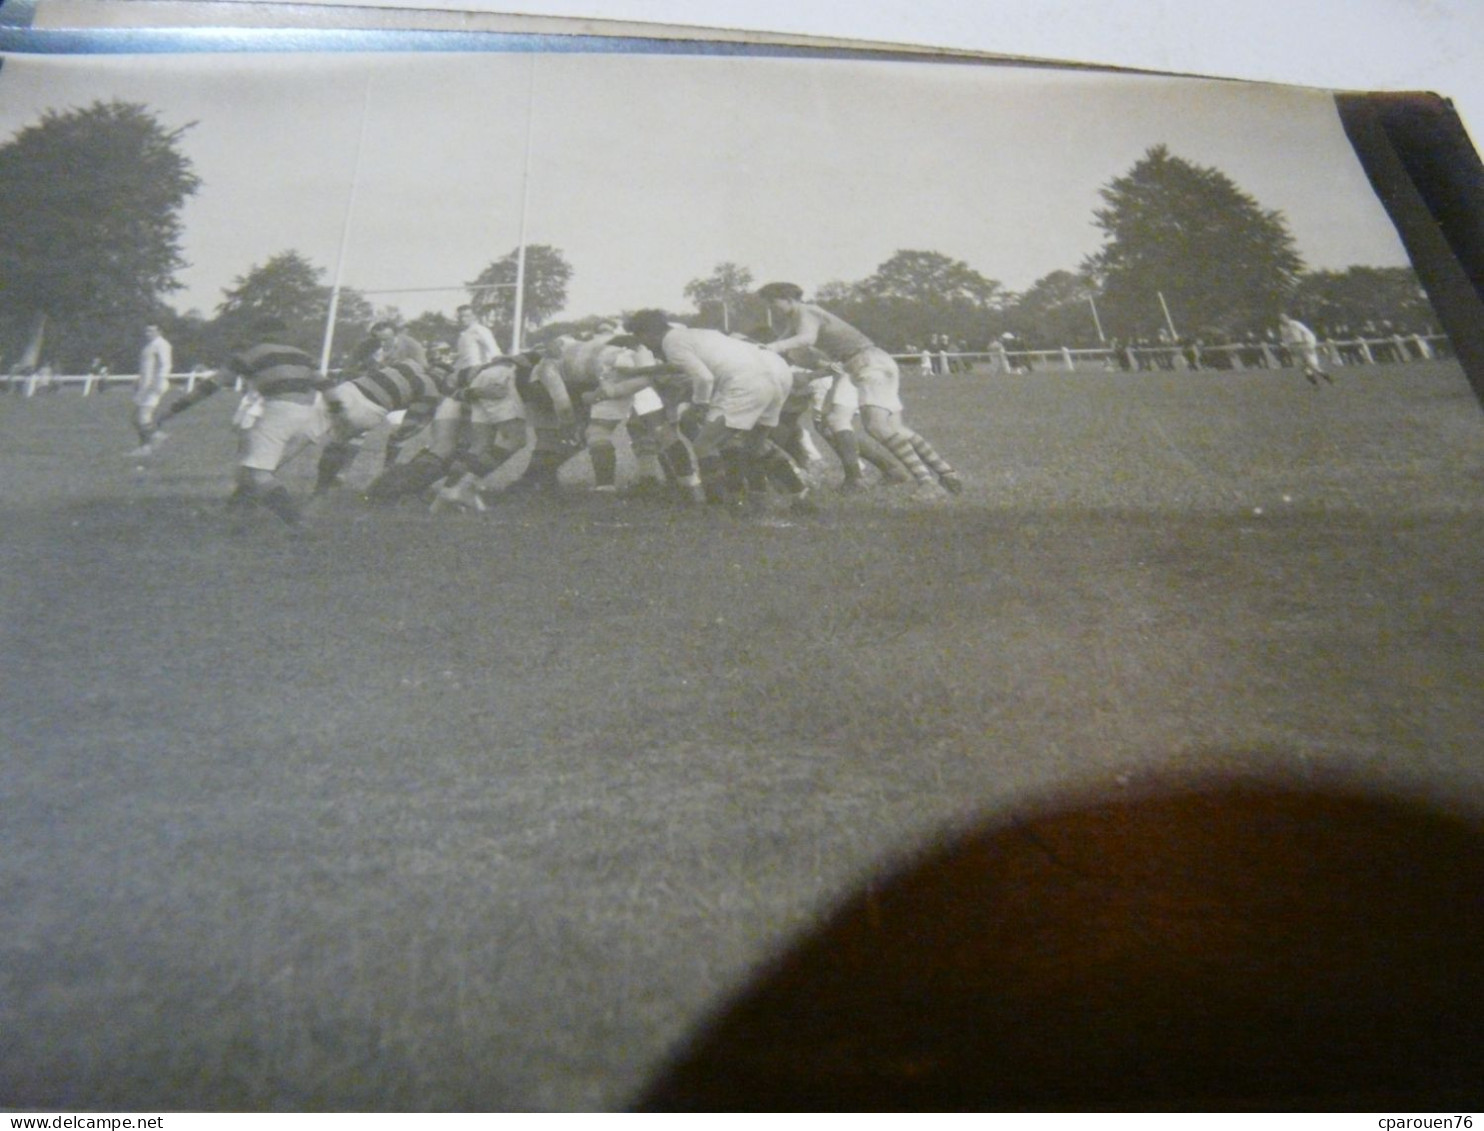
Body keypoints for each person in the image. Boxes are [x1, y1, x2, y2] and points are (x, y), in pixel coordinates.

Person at [756, 282, 962, 501]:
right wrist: (762, 349)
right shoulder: (797, 317)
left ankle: (927, 483)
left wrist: (771, 349)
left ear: (787, 298)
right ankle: (947, 473)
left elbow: (805, 339)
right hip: (869, 362)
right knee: (894, 428)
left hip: (868, 363)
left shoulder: (807, 311)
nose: (771, 308)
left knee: (877, 427)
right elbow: (783, 343)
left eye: (772, 302)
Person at [617, 310, 812, 511]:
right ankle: (800, 497)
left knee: (704, 445)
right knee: (755, 445)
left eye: (641, 339)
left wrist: (698, 405)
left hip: (746, 382)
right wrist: (638, 371)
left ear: (648, 333)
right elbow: (682, 367)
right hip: (777, 375)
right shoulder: (696, 334)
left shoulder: (671, 343)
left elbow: (703, 377)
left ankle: (719, 504)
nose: (646, 346)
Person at [157, 318, 327, 528]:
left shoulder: (250, 354)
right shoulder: (303, 356)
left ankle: (297, 522)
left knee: (255, 473)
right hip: (311, 415)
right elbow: (327, 386)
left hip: (280, 412)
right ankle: (235, 511)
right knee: (251, 467)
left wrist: (171, 411)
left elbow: (210, 386)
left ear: (257, 335)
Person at [128, 323, 173, 456]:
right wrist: (139, 379)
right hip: (145, 385)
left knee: (143, 416)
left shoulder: (162, 344)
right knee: (135, 417)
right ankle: (154, 437)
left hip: (153, 385)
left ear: (160, 331)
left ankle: (147, 446)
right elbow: (146, 366)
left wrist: (158, 380)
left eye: (151, 331)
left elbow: (165, 364)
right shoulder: (149, 346)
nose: (147, 333)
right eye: (146, 330)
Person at [1278, 313, 1333, 386]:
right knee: (1302, 367)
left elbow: (1307, 332)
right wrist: (1288, 347)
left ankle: (1327, 378)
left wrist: (1310, 344)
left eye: (1284, 318)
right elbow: (1285, 338)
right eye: (1281, 319)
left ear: (1287, 318)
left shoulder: (1295, 324)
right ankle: (1315, 384)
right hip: (1294, 348)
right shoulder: (1282, 328)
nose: (1283, 320)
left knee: (1313, 365)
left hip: (1304, 345)